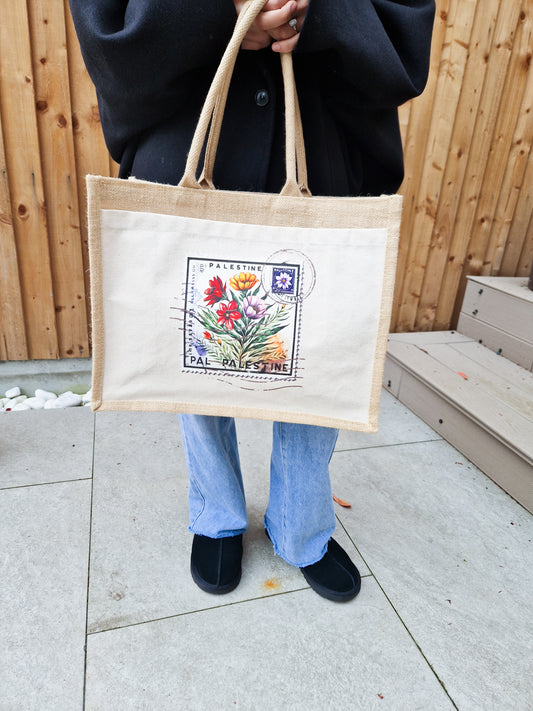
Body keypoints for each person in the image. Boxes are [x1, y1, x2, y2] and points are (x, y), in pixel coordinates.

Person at [69, 0, 435, 602]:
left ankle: (302, 524)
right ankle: (216, 512)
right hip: (189, 127)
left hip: (325, 136)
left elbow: (404, 22)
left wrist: (316, 9)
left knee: (319, 349)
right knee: (197, 348)